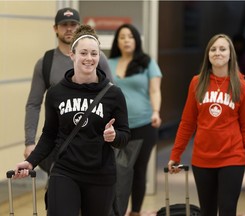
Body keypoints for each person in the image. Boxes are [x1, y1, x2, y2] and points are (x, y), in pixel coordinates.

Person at [13, 24, 130, 216]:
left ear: (99, 56)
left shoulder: (113, 94)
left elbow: (125, 134)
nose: (89, 58)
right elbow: (49, 134)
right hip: (65, 171)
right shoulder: (56, 93)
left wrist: (114, 136)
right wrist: (31, 162)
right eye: (83, 53)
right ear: (72, 55)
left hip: (100, 175)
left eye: (94, 53)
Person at [167, 34, 245, 216]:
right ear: (208, 54)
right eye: (213, 49)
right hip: (202, 158)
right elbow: (187, 123)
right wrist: (175, 155)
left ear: (231, 54)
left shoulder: (242, 86)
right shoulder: (197, 83)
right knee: (207, 211)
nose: (218, 53)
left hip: (232, 157)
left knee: (227, 210)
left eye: (222, 49)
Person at [24, 7, 113, 160]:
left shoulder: (96, 58)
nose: (69, 28)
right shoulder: (45, 62)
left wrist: (115, 133)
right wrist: (30, 142)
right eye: (64, 24)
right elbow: (33, 104)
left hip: (94, 140)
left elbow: (112, 96)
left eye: (73, 24)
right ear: (55, 29)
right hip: (58, 142)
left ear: (80, 27)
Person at [108, 23, 162, 216]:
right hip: (116, 127)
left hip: (144, 125)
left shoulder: (147, 62)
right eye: (122, 37)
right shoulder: (109, 62)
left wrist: (156, 111)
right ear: (118, 41)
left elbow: (155, 90)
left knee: (138, 170)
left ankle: (136, 212)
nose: (126, 40)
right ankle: (117, 210)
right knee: (118, 171)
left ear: (136, 40)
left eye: (130, 36)